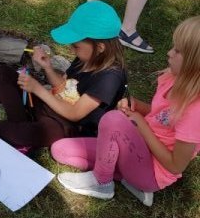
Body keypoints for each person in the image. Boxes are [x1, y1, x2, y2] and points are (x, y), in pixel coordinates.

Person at [53, 16, 200, 206]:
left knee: (113, 119)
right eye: (173, 47)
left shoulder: (195, 112)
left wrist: (140, 124)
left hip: (152, 170)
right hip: (135, 147)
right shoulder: (172, 78)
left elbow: (175, 165)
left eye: (178, 51)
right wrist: (135, 104)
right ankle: (122, 175)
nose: (169, 53)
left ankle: (102, 182)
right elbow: (163, 117)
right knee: (60, 150)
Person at [0, 1, 126, 152]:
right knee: (2, 73)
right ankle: (21, 130)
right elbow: (64, 88)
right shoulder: (86, 58)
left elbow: (74, 114)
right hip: (54, 106)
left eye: (76, 46)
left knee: (29, 133)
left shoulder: (110, 78)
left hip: (71, 127)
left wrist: (38, 90)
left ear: (100, 47)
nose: (72, 50)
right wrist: (47, 67)